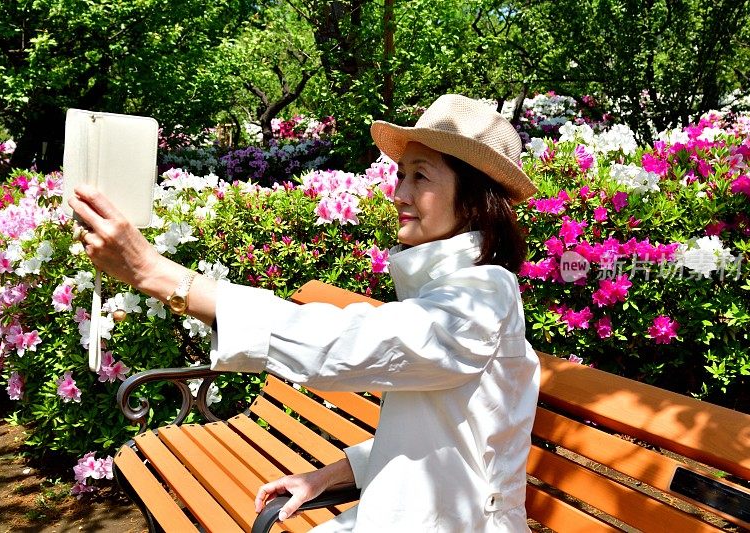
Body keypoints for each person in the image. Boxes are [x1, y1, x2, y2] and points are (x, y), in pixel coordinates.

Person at [69, 94, 541, 532]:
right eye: (400, 174)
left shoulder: (484, 295)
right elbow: (442, 434)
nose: (398, 192)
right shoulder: (448, 288)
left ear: (475, 200)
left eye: (421, 176)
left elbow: (351, 343)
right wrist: (327, 477)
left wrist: (157, 273)